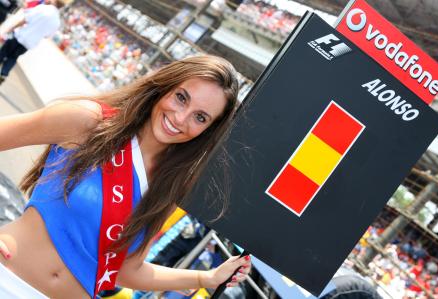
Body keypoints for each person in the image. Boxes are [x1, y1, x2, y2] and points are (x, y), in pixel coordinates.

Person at [0, 55, 252, 298]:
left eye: (200, 117)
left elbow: (127, 271)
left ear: (208, 131)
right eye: (181, 97)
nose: (180, 117)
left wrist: (204, 279)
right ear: (164, 87)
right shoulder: (89, 122)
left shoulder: (169, 187)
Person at [0, 0, 64, 84]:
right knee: (13, 57)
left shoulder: (43, 8)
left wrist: (11, 28)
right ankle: (4, 73)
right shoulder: (57, 22)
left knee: (4, 52)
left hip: (20, 34)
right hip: (29, 43)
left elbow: (25, 19)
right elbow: (47, 35)